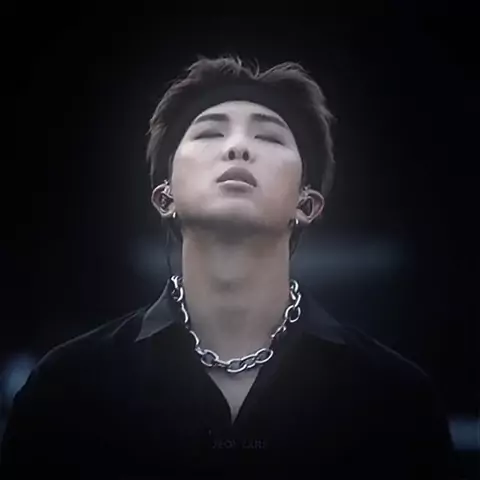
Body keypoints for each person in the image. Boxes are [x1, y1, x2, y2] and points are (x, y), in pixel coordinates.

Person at [0, 55, 459, 478]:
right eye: (209, 133)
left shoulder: (395, 400)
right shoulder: (67, 389)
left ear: (307, 203)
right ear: (164, 196)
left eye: (269, 136)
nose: (238, 147)